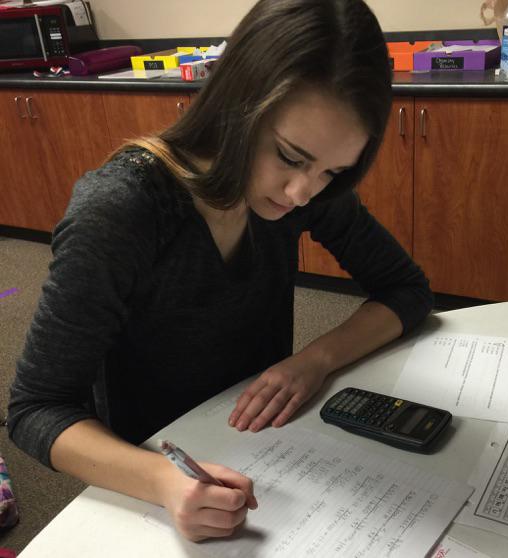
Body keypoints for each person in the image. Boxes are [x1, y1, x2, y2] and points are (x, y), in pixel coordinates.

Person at [8, 0, 434, 543]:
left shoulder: (302, 191)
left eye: (332, 171)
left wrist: (315, 360)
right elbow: (35, 408)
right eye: (290, 156)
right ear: (237, 105)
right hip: (153, 472)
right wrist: (163, 481)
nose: (303, 192)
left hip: (266, 448)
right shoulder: (121, 209)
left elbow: (407, 289)